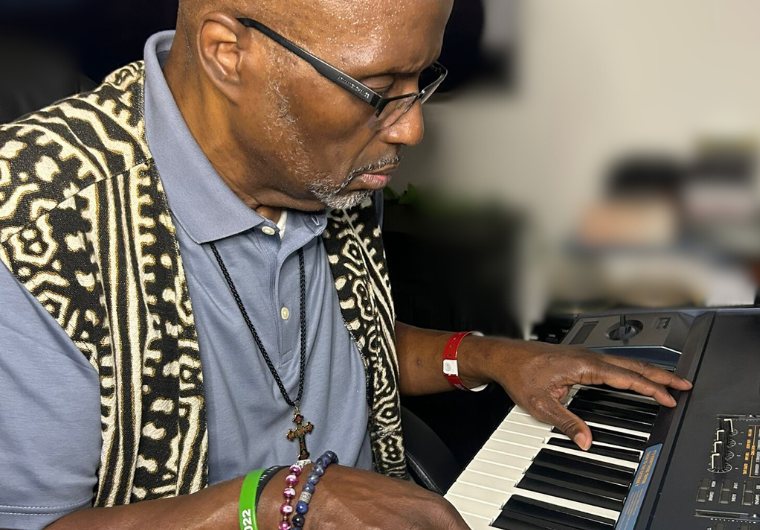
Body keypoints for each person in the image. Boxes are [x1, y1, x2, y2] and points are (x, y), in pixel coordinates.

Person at [0, 0, 692, 529]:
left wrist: (489, 356)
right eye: (377, 87)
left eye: (421, 78)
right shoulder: (37, 222)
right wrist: (282, 501)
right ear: (227, 53)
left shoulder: (322, 169)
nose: (411, 126)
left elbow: (338, 347)